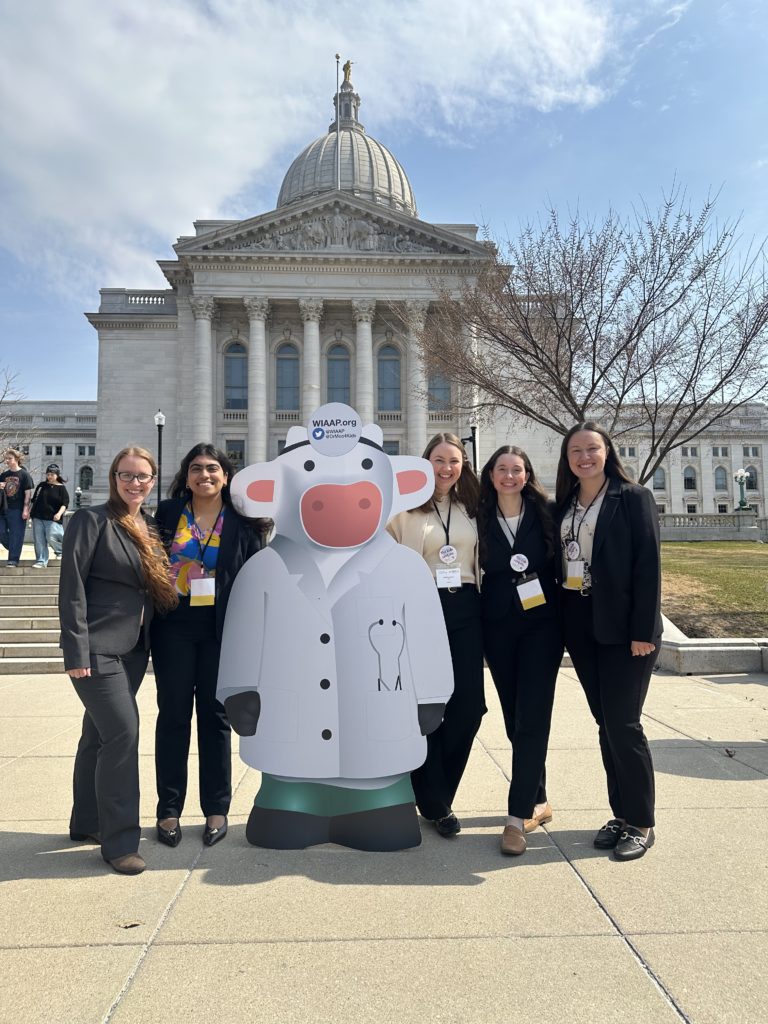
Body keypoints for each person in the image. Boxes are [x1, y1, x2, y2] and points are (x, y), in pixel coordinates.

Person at [59, 446, 178, 875]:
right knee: (124, 734)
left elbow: (155, 588)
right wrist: (75, 649)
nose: (135, 482)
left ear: (152, 481)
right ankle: (120, 842)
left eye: (142, 476)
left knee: (98, 736)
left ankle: (87, 822)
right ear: (113, 477)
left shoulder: (147, 526)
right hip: (96, 646)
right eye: (126, 475)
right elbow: (71, 586)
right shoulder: (91, 521)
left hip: (133, 650)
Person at [151, 444, 268, 849]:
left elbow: (257, 578)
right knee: (173, 716)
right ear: (186, 477)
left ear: (226, 475)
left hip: (222, 630)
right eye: (197, 469)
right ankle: (168, 809)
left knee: (215, 718)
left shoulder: (244, 522)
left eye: (213, 468)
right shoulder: (166, 516)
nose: (205, 475)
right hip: (173, 628)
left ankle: (216, 808)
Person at [555, 422, 662, 862]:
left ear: (607, 451)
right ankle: (621, 813)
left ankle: (641, 822)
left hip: (624, 631)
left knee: (624, 724)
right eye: (575, 450)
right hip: (581, 625)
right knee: (606, 724)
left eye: (592, 449)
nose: (584, 457)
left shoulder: (633, 497)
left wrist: (643, 632)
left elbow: (648, 567)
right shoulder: (566, 503)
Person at [387, 433, 485, 837]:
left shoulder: (471, 508)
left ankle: (437, 793)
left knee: (469, 707)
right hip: (420, 609)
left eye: (454, 461)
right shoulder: (403, 511)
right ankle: (435, 803)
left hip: (465, 605)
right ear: (424, 462)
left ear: (463, 466)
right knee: (424, 706)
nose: (446, 468)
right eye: (439, 459)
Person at [478, 446, 563, 856]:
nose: (509, 476)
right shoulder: (477, 516)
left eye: (517, 469)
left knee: (532, 719)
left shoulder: (548, 511)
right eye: (502, 470)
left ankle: (516, 819)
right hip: (498, 629)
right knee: (514, 719)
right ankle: (539, 799)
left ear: (527, 475)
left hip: (542, 629)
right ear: (491, 474)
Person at [30, 464, 70, 567]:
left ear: (57, 475)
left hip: (53, 518)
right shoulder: (42, 485)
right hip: (37, 516)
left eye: (52, 474)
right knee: (39, 540)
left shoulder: (62, 489)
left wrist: (59, 514)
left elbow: (65, 504)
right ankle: (41, 561)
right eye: (48, 474)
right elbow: (34, 500)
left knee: (52, 536)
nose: (49, 476)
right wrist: (29, 512)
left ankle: (61, 551)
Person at [0, 449, 34, 567]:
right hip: (3, 509)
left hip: (17, 509)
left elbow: (28, 494)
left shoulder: (25, 475)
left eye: (9, 458)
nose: (7, 461)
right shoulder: (4, 475)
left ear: (17, 459)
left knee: (16, 534)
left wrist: (26, 509)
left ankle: (13, 560)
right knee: (1, 531)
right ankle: (15, 547)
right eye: (6, 459)